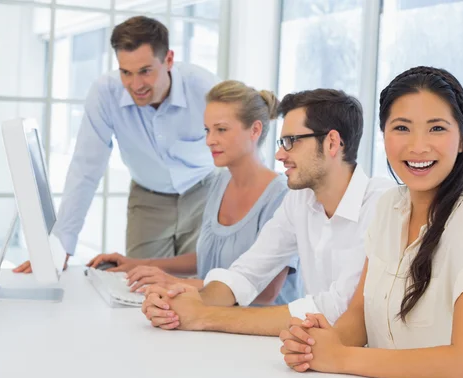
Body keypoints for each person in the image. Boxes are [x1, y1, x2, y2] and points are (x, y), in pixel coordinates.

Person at [279, 66, 463, 378]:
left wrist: (341, 357)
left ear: (462, 139)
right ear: (384, 136)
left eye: (436, 128)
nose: (418, 147)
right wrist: (317, 345)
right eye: (402, 128)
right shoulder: (388, 206)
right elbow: (361, 314)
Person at [140, 88, 392, 336]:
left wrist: (204, 316)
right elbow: (247, 274)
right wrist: (179, 304)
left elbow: (337, 310)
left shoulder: (382, 204)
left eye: (290, 142)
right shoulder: (299, 201)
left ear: (332, 143)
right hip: (319, 356)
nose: (280, 154)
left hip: (372, 364)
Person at [14, 16, 219, 273]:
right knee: (138, 285)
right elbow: (86, 168)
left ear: (168, 60)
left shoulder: (204, 88)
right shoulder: (105, 93)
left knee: (200, 284)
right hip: (148, 197)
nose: (136, 85)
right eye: (126, 72)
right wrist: (60, 247)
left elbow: (237, 147)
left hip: (204, 193)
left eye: (145, 71)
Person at [86, 80, 302, 305]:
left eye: (221, 130)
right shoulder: (220, 181)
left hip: (260, 330)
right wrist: (140, 264)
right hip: (214, 318)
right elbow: (211, 259)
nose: (209, 141)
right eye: (207, 130)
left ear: (255, 130)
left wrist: (173, 282)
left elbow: (265, 292)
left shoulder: (281, 196)